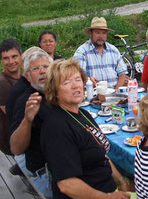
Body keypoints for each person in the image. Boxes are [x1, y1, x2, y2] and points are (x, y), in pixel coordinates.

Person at [40, 58, 131, 199]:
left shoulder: (82, 113)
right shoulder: (57, 127)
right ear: (55, 91)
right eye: (66, 82)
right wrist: (107, 197)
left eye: (77, 79)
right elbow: (67, 184)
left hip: (108, 188)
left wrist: (121, 181)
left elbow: (101, 153)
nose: (75, 86)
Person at [8, 48, 53, 197]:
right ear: (27, 77)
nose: (42, 71)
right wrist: (27, 120)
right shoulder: (27, 102)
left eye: (46, 67)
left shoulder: (54, 93)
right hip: (47, 174)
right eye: (36, 68)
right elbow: (16, 148)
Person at [0, 39, 22, 174]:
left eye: (14, 56)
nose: (11, 61)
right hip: (9, 139)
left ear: (20, 56)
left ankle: (20, 165)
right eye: (6, 58)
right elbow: (15, 116)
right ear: (1, 61)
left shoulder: (21, 77)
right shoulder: (1, 84)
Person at [73, 17, 128, 88]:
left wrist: (116, 91)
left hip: (114, 92)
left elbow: (123, 73)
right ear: (90, 33)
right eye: (97, 33)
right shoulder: (82, 52)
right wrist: (88, 80)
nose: (101, 36)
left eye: (104, 33)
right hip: (93, 95)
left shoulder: (113, 50)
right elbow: (77, 77)